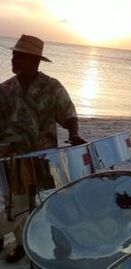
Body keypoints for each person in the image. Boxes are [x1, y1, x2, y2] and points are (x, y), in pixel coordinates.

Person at [0, 34, 86, 263]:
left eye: (19, 56)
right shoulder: (5, 89)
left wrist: (74, 134)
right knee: (17, 202)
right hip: (11, 157)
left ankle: (12, 237)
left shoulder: (52, 87)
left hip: (41, 156)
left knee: (24, 204)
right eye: (13, 55)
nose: (13, 60)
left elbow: (68, 112)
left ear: (34, 61)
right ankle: (20, 243)